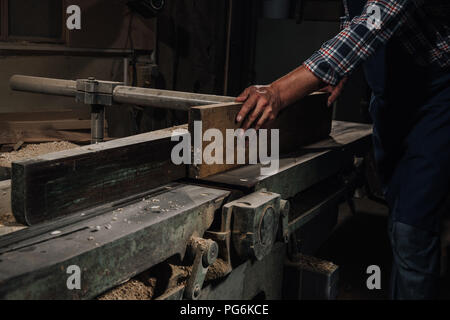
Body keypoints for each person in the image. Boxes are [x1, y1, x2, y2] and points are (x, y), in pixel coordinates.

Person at [236, 0, 449, 299]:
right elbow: (355, 19)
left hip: (436, 99)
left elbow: (370, 26)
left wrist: (277, 93)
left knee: (412, 229)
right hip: (391, 101)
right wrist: (341, 73)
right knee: (400, 216)